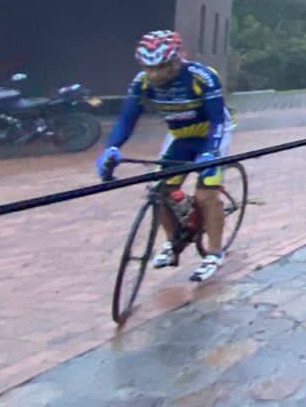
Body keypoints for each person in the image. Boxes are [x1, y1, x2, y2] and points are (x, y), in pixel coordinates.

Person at [95, 30, 234, 282]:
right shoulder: (142, 82)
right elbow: (127, 119)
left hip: (211, 134)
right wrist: (112, 148)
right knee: (159, 191)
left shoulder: (202, 77)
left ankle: (214, 253)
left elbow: (217, 121)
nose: (155, 75)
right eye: (149, 68)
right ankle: (172, 242)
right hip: (180, 136)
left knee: (206, 194)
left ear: (177, 60)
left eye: (162, 68)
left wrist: (212, 152)